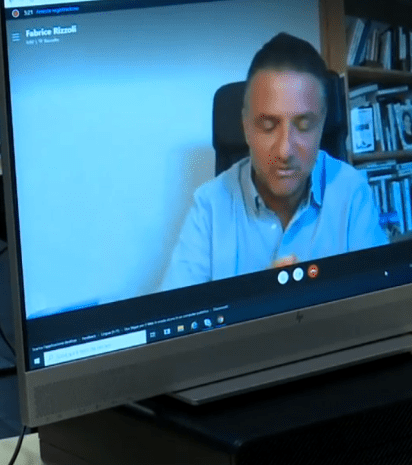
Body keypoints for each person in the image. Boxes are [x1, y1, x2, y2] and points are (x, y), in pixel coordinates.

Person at [160, 33, 389, 291]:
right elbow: (179, 311)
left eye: (305, 125)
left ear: (322, 124)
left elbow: (379, 299)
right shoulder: (209, 206)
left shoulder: (351, 191)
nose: (284, 151)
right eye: (268, 126)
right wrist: (262, 297)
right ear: (246, 127)